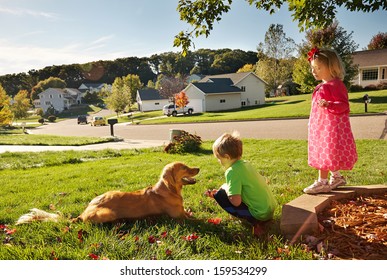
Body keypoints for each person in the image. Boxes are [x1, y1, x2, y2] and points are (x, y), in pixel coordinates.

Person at [303, 47, 358, 194]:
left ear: (331, 67)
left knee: (325, 151)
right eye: (313, 68)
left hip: (330, 128)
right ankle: (337, 177)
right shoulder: (321, 86)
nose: (314, 71)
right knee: (327, 152)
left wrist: (330, 104)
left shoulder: (336, 85)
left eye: (318, 68)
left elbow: (344, 105)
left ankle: (322, 182)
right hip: (321, 126)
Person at [205, 132, 277, 236]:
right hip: (270, 209)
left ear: (227, 156)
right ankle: (259, 219)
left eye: (219, 158)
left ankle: (254, 222)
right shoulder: (246, 164)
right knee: (226, 190)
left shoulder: (231, 171)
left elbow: (236, 202)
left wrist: (223, 190)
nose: (219, 161)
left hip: (260, 215)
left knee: (220, 194)